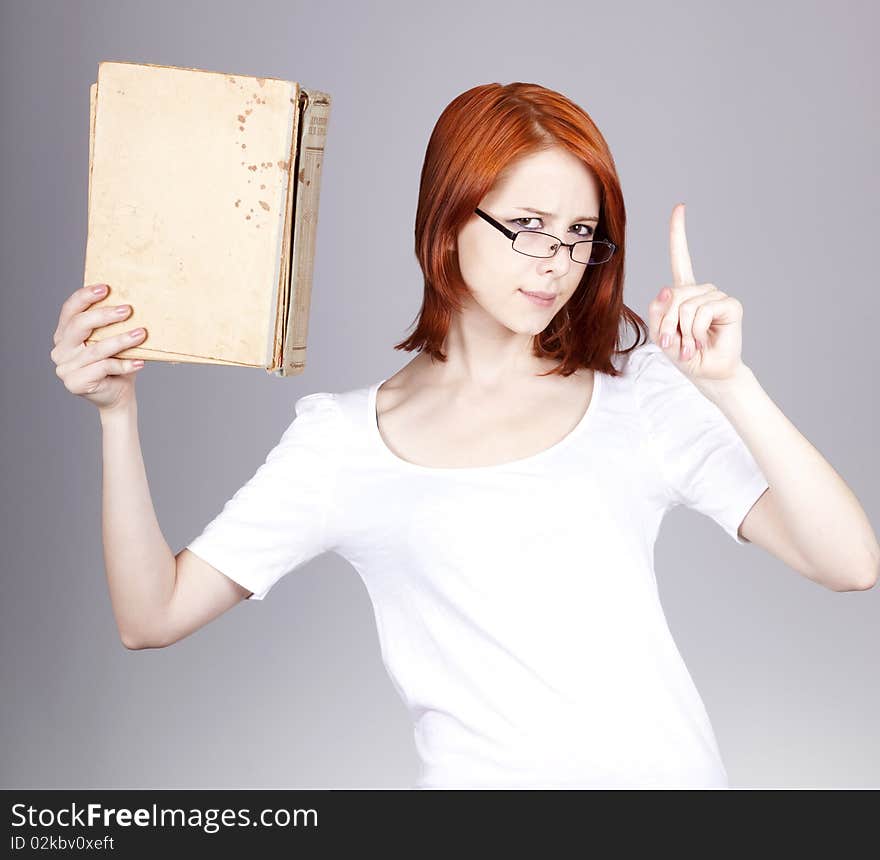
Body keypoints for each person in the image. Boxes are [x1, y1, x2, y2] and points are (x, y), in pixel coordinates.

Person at [51, 82, 879, 789]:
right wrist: (118, 415)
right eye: (527, 224)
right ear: (449, 222)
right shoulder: (342, 443)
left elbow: (850, 564)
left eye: (583, 233)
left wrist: (733, 385)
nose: (557, 259)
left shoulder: (641, 397)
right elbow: (150, 615)